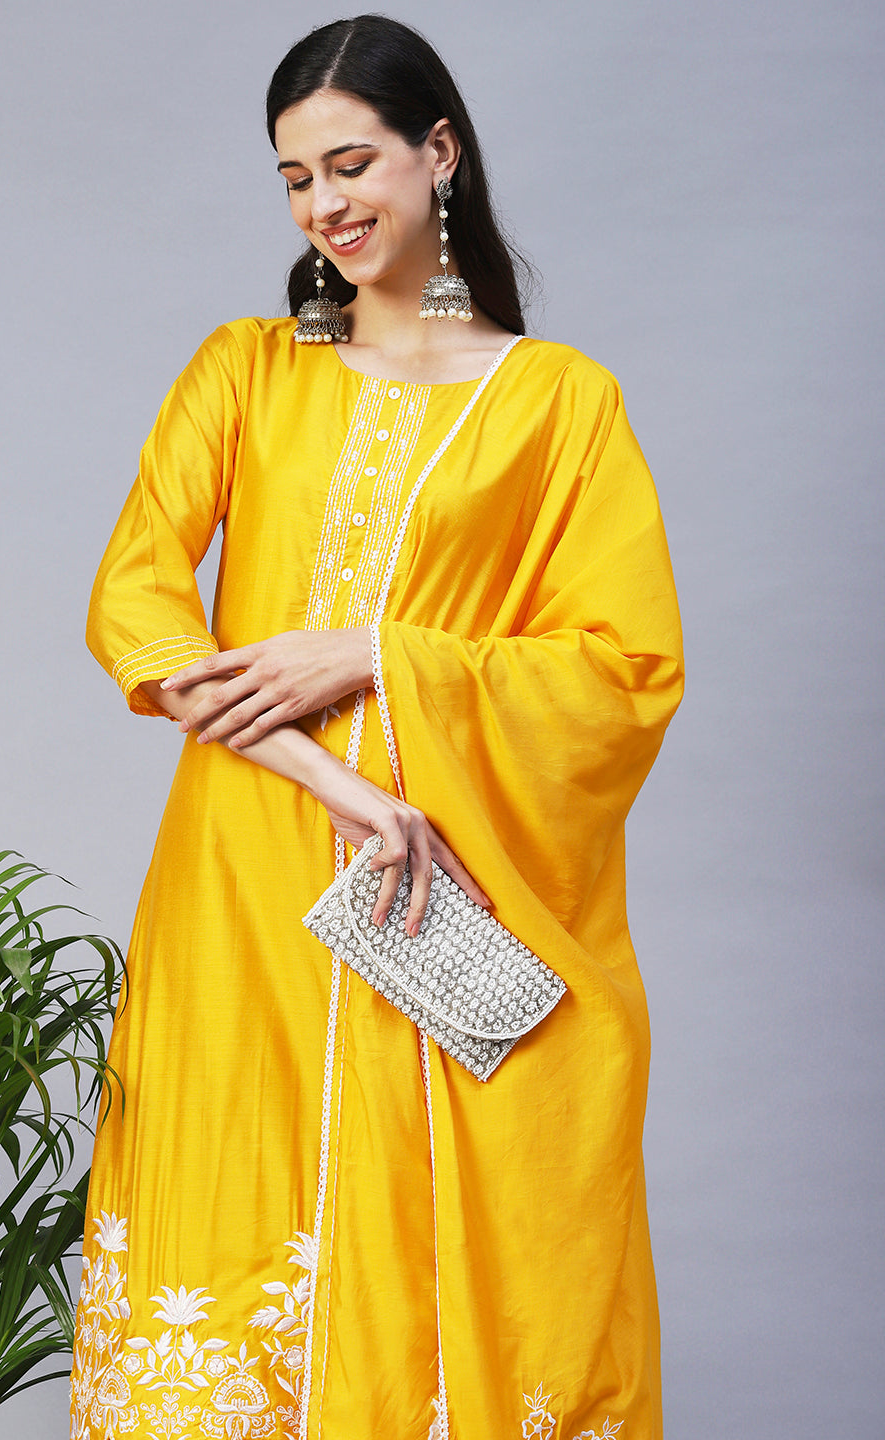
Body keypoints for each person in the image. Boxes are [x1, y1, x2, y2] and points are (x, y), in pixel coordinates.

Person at [69, 14, 683, 1440]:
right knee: (232, 1230)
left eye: (351, 163)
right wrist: (334, 783)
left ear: (438, 152)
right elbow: (135, 605)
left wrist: (373, 654)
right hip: (243, 881)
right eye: (295, 178)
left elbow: (624, 671)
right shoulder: (245, 370)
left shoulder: (559, 405)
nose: (324, 205)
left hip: (443, 886)